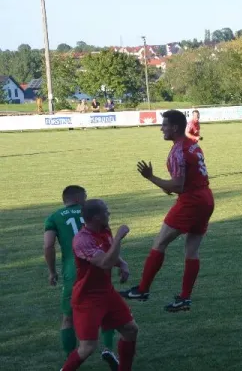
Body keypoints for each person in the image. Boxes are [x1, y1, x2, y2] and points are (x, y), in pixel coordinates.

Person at [120, 109, 215, 312]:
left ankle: (143, 289)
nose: (161, 129)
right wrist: (165, 185)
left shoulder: (179, 150)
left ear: (174, 127)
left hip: (190, 200)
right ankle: (184, 298)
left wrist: (151, 177)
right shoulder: (192, 145)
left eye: (164, 125)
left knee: (160, 243)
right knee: (192, 250)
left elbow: (178, 186)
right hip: (206, 198)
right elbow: (178, 183)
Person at [44, 186, 118, 369]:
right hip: (98, 267)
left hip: (72, 272)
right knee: (107, 310)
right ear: (78, 198)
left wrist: (52, 271)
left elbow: (48, 245)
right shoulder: (92, 214)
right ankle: (109, 349)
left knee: (68, 318)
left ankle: (70, 358)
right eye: (85, 197)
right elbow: (107, 239)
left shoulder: (54, 217)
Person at [61, 199, 138, 370]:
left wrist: (122, 263)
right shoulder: (82, 240)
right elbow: (104, 262)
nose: (109, 214)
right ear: (96, 217)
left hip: (107, 293)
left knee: (130, 329)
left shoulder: (104, 230)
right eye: (106, 211)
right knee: (87, 347)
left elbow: (108, 253)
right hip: (87, 298)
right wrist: (119, 238)